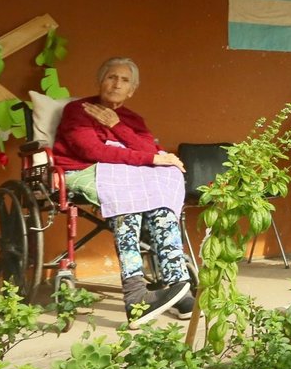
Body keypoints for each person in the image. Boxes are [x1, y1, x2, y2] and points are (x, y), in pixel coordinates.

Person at [51, 57, 193, 326]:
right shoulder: (78, 110)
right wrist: (149, 158)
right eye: (111, 77)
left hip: (129, 173)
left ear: (131, 90)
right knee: (128, 194)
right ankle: (135, 293)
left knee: (165, 181)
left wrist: (116, 126)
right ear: (100, 81)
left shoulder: (132, 119)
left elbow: (149, 149)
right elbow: (90, 150)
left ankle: (177, 284)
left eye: (124, 80)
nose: (117, 84)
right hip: (86, 169)